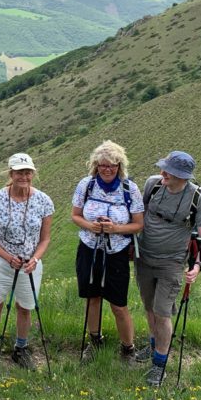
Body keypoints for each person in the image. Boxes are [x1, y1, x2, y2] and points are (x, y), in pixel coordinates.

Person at [135, 151, 201, 387]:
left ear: (182, 176)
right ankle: (154, 346)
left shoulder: (198, 199)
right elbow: (138, 216)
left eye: (168, 171)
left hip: (172, 263)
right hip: (144, 259)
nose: (162, 174)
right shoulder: (152, 185)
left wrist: (198, 265)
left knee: (162, 312)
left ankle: (160, 364)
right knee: (149, 307)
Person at [70, 140, 144, 363]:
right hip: (89, 248)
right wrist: (90, 226)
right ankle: (95, 342)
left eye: (112, 165)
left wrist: (115, 229)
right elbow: (75, 215)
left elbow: (139, 224)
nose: (108, 169)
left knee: (118, 304)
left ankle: (128, 348)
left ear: (120, 165)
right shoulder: (87, 185)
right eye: (103, 165)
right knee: (92, 298)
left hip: (117, 252)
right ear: (95, 165)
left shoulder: (129, 188)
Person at [0, 153, 54, 370]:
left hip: (30, 264)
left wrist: (35, 259)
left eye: (28, 172)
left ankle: (20, 349)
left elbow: (45, 238)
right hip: (1, 262)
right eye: (19, 172)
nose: (24, 176)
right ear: (10, 173)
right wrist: (8, 257)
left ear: (33, 174)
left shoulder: (43, 200)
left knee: (25, 308)